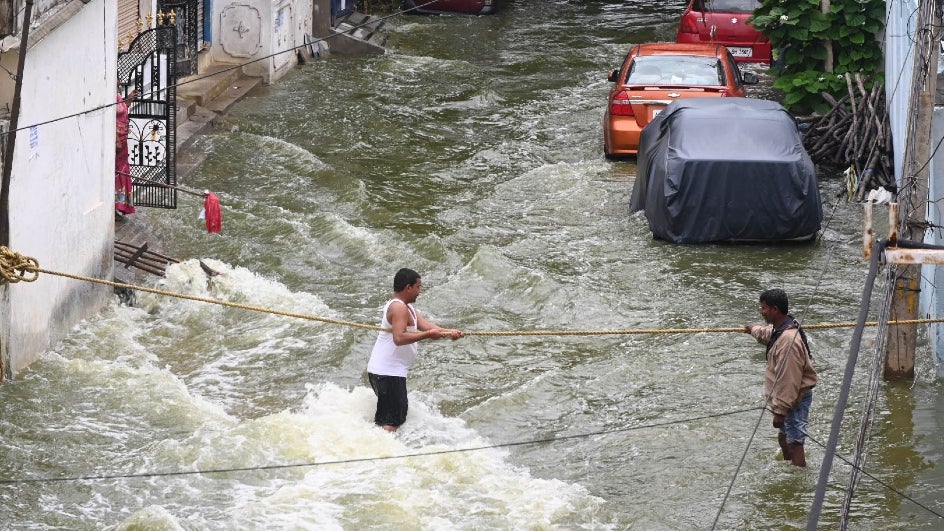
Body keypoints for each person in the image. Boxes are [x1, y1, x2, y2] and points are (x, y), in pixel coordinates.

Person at [366, 268, 463, 432]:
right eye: (418, 286)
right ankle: (380, 453)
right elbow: (399, 338)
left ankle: (376, 446)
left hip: (389, 372)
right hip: (388, 373)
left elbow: (429, 327)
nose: (420, 291)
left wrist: (449, 333)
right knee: (392, 421)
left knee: (392, 417)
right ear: (408, 287)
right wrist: (426, 336)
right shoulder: (399, 308)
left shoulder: (408, 308)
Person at [744, 288, 818, 467]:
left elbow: (789, 378)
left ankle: (798, 477)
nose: (761, 312)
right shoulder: (783, 326)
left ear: (774, 310)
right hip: (787, 397)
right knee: (784, 438)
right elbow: (768, 334)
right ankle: (789, 468)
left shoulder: (788, 342)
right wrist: (753, 329)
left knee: (795, 443)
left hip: (793, 398)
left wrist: (780, 411)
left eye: (763, 308)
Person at [115, 88, 138, 216]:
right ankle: (117, 205)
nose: (119, 81)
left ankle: (121, 205)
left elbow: (121, 109)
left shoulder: (116, 94)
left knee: (123, 170)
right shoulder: (109, 96)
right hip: (118, 141)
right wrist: (116, 140)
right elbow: (111, 118)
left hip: (123, 140)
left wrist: (129, 99)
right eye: (118, 79)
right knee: (118, 172)